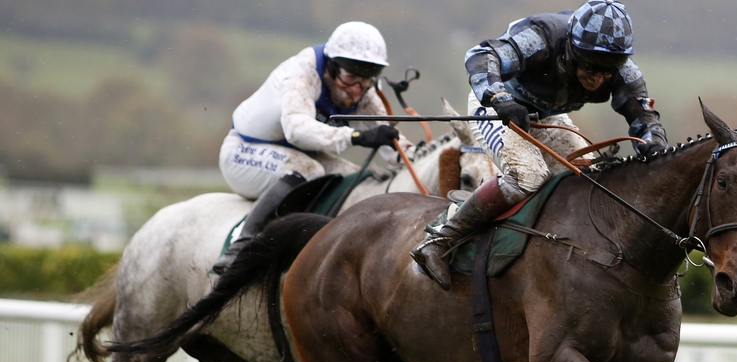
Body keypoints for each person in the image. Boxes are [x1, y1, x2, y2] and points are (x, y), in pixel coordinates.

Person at [411, 0, 668, 290]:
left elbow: (645, 118)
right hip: (495, 109)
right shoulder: (542, 36)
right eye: (590, 65)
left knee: (590, 178)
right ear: (571, 47)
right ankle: (440, 240)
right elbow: (481, 55)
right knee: (528, 177)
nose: (598, 78)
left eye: (608, 70)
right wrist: (500, 98)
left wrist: (654, 143)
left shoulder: (622, 69)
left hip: (547, 115)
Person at [213, 21, 409, 274]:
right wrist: (357, 136)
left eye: (365, 81)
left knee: (355, 178)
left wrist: (418, 155)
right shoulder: (302, 73)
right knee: (309, 170)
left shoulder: (362, 89)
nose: (356, 90)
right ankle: (241, 245)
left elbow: (390, 142)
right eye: (350, 78)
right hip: (243, 152)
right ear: (331, 66)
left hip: (296, 156)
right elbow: (296, 130)